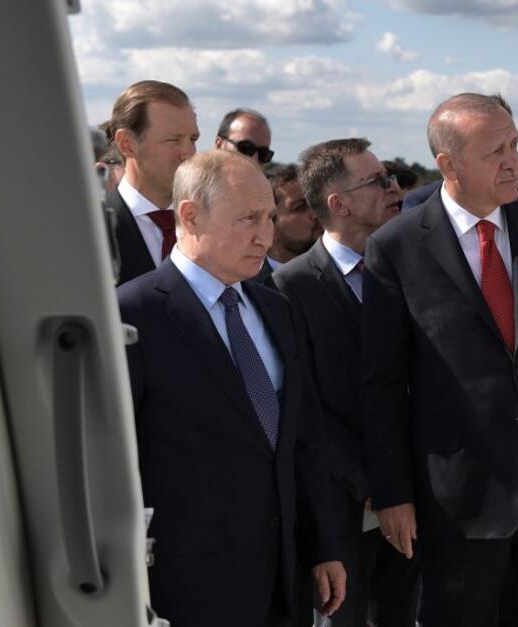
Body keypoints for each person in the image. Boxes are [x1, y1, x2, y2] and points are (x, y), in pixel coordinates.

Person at [360, 93, 518, 627]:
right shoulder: (396, 247)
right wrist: (393, 494)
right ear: (448, 165)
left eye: (515, 145)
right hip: (460, 499)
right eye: (494, 151)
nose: (513, 161)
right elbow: (382, 385)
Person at [117, 149, 346, 627]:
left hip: (283, 579)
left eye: (269, 217)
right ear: (189, 215)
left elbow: (304, 438)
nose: (265, 235)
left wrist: (323, 545)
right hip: (185, 588)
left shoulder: (277, 308)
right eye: (247, 219)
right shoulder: (132, 315)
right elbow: (115, 463)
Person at [273, 138, 417, 627]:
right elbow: (304, 408)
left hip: (417, 499)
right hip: (341, 510)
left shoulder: (413, 269)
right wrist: (374, 483)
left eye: (391, 176)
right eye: (377, 181)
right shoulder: (290, 288)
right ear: (339, 204)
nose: (393, 187)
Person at [104, 80, 199, 285]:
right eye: (173, 140)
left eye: (193, 139)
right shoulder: (93, 233)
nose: (189, 153)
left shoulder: (210, 225)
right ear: (127, 144)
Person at [253, 162, 322, 286]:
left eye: (315, 203)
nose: (315, 214)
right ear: (270, 228)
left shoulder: (344, 271)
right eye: (300, 207)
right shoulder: (251, 288)